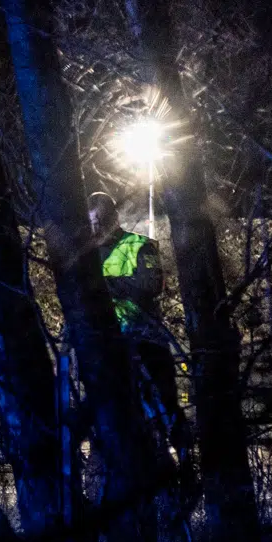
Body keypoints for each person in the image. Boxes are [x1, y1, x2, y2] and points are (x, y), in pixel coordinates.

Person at [86, 192, 191, 461]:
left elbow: (150, 286)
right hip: (107, 343)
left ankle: (186, 458)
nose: (96, 228)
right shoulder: (88, 257)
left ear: (113, 217)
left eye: (100, 220)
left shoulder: (139, 245)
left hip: (145, 338)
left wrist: (105, 285)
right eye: (92, 222)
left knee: (164, 402)